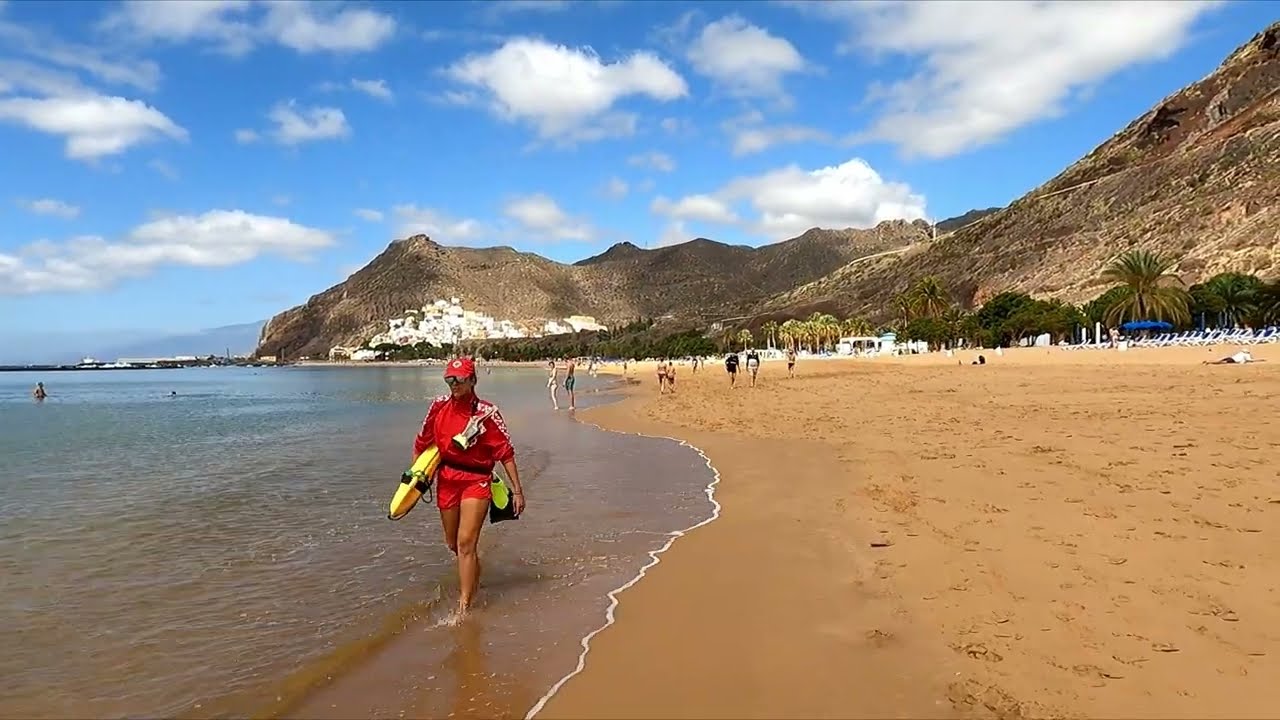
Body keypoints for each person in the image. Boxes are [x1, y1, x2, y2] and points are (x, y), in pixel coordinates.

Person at [412, 357, 525, 618]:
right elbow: (422, 442)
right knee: (453, 544)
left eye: (459, 380)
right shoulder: (439, 406)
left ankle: (464, 605)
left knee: (465, 543)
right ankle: (473, 573)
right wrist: (416, 477)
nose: (453, 384)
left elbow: (505, 452)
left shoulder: (487, 413)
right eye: (449, 379)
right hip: (447, 479)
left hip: (477, 480)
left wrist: (517, 490)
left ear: (472, 380)